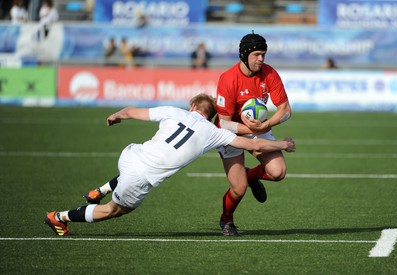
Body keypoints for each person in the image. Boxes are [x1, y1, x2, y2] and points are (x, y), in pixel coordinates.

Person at [44, 93, 296, 236]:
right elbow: (255, 146)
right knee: (114, 211)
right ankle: (59, 217)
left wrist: (116, 115)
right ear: (211, 116)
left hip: (130, 155)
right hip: (140, 178)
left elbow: (131, 110)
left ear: (193, 107)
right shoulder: (213, 132)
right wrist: (282, 145)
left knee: (138, 164)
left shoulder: (173, 111)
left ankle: (100, 190)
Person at [214, 32, 292, 235]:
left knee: (278, 172)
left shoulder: (269, 73)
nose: (261, 59)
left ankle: (250, 176)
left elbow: (285, 110)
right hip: (230, 132)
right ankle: (226, 220)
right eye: (257, 54)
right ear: (244, 55)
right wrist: (254, 129)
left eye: (263, 54)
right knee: (238, 189)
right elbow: (224, 123)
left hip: (258, 128)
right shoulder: (228, 79)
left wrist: (264, 126)